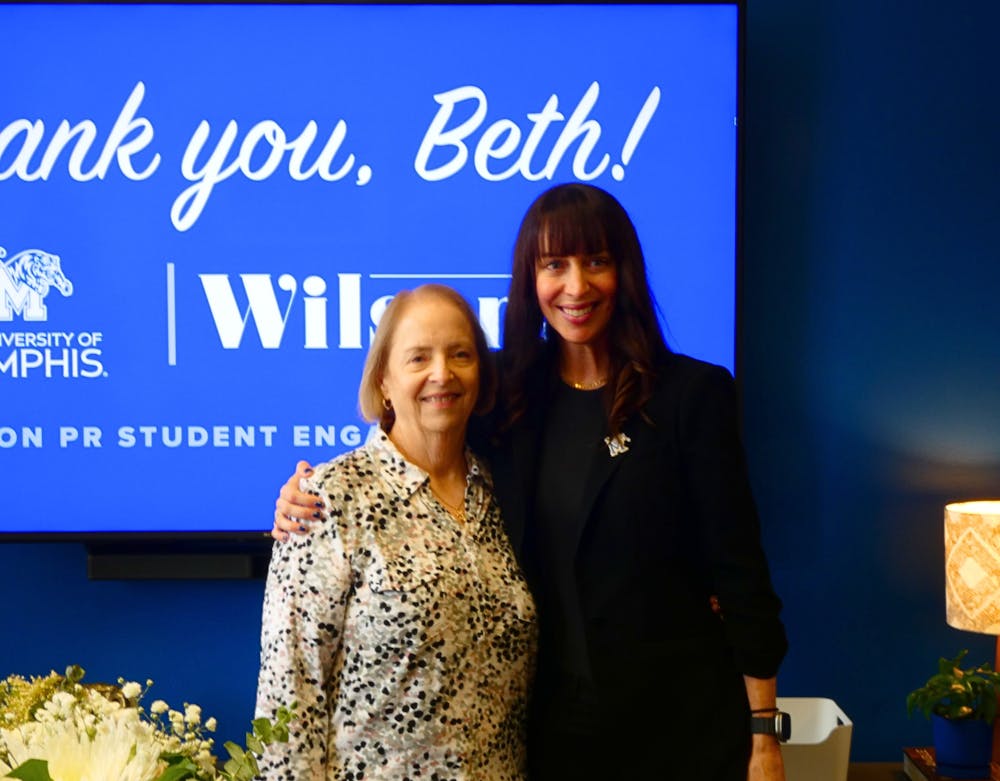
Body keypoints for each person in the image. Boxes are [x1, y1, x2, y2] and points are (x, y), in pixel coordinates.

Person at [273, 184, 788, 780]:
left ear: (625, 271)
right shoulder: (508, 397)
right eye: (555, 265)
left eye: (596, 261)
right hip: (553, 744)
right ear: (530, 279)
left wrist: (764, 736)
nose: (576, 286)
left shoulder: (690, 398)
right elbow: (418, 431)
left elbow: (742, 573)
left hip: (682, 733)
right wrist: (303, 497)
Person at [256, 284, 537, 781]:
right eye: (418, 358)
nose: (441, 374)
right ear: (383, 379)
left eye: (460, 355)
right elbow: (288, 701)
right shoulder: (329, 498)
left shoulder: (504, 493)